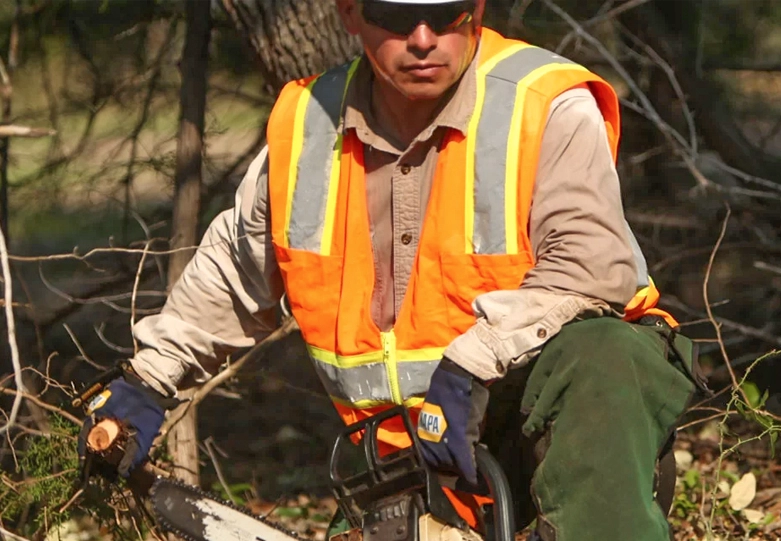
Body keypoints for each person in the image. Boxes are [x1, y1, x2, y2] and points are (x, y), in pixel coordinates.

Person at [78, 1, 705, 540]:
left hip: (546, 428)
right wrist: (150, 380)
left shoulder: (545, 105)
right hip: (401, 459)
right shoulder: (306, 126)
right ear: (350, 12)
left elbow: (590, 270)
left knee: (606, 352)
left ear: (478, 9)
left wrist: (472, 365)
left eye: (445, 15)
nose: (425, 39)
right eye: (398, 18)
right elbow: (237, 268)